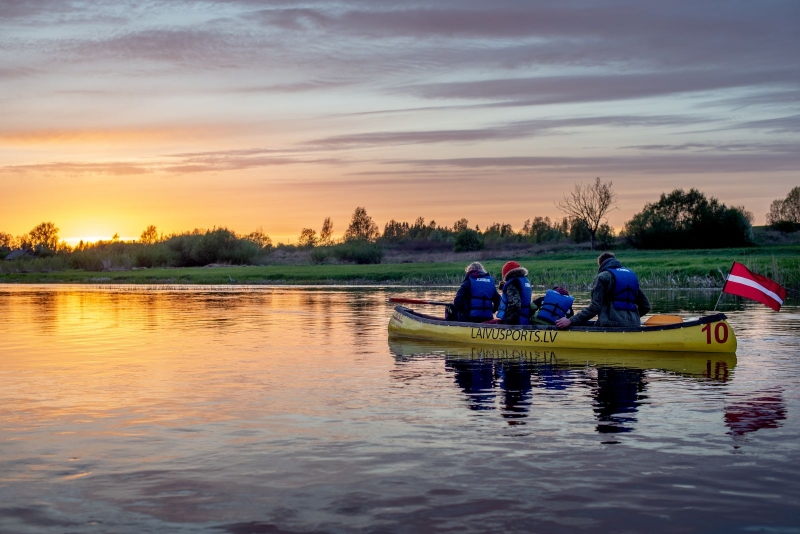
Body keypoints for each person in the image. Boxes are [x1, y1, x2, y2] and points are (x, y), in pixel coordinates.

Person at [556, 252, 651, 329]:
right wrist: (632, 319)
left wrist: (570, 320)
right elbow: (646, 306)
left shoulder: (603, 276)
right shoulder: (630, 277)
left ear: (600, 264)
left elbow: (595, 307)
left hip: (610, 325)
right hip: (634, 324)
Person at [496, 261, 533, 325]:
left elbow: (515, 305)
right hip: (525, 320)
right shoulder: (525, 280)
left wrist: (507, 323)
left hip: (516, 322)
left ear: (507, 274)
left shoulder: (513, 283)